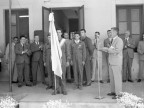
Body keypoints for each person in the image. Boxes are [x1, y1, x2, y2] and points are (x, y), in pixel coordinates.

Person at [101, 27, 123, 99]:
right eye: (110, 32)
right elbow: (112, 49)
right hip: (111, 62)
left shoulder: (119, 40)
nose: (110, 33)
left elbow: (117, 50)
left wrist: (107, 49)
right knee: (112, 78)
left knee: (117, 78)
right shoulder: (113, 40)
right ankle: (113, 91)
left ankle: (119, 94)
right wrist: (106, 49)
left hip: (116, 62)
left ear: (116, 32)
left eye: (112, 32)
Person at [52, 29, 70, 95]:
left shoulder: (64, 41)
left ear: (61, 33)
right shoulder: (54, 41)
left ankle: (64, 90)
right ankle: (56, 90)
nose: (58, 33)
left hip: (63, 60)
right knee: (56, 75)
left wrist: (68, 60)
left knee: (63, 75)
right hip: (56, 60)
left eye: (59, 32)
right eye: (57, 32)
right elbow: (52, 51)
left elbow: (67, 51)